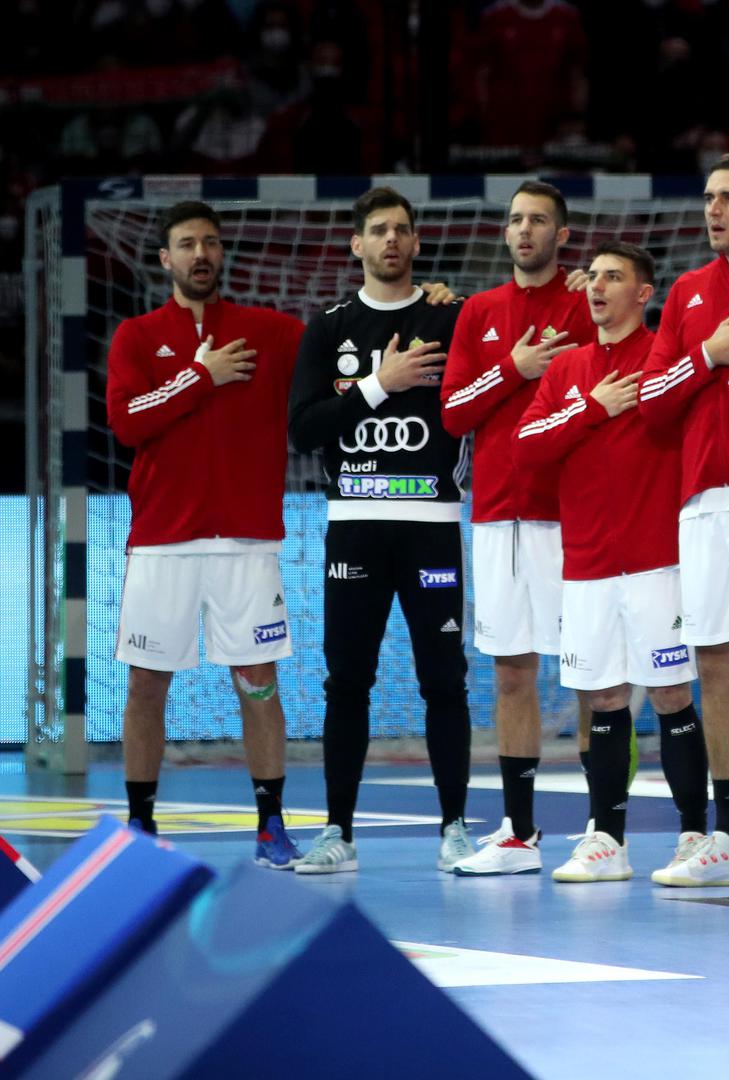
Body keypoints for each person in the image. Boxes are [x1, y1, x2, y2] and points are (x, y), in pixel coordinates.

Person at [104, 200, 304, 867]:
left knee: (258, 681)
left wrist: (434, 301)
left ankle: (271, 824)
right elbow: (127, 423)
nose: (201, 253)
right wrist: (200, 376)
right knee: (146, 684)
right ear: (166, 258)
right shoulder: (136, 336)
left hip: (247, 539)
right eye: (188, 243)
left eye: (211, 242)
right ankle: (139, 824)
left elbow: (343, 345)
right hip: (163, 539)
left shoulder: (270, 331)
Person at [287, 187, 472, 875]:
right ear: (357, 244)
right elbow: (303, 430)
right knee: (347, 682)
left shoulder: (450, 317)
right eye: (378, 230)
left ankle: (455, 830)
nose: (390, 239)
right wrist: (378, 383)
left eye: (401, 229)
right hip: (355, 527)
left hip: (432, 526)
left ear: (417, 243)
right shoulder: (329, 327)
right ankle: (337, 832)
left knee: (444, 681)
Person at [514, 241, 708, 883]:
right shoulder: (567, 367)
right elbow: (526, 447)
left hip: (658, 558)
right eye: (593, 276)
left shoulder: (665, 358)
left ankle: (692, 835)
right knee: (602, 698)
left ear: (644, 293)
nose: (596, 287)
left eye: (613, 277)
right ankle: (607, 839)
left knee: (672, 693)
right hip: (588, 562)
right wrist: (591, 407)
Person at [638, 151, 729, 885]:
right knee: (718, 662)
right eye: (708, 198)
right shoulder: (688, 292)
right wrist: (707, 355)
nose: (714, 210)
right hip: (702, 500)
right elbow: (651, 402)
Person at [439, 180, 593, 875]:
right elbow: (454, 413)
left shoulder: (587, 303)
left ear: (563, 235)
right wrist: (514, 367)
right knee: (511, 672)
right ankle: (520, 832)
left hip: (575, 513)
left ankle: (604, 827)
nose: (524, 230)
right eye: (516, 220)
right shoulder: (479, 311)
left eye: (538, 220)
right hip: (499, 516)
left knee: (595, 673)